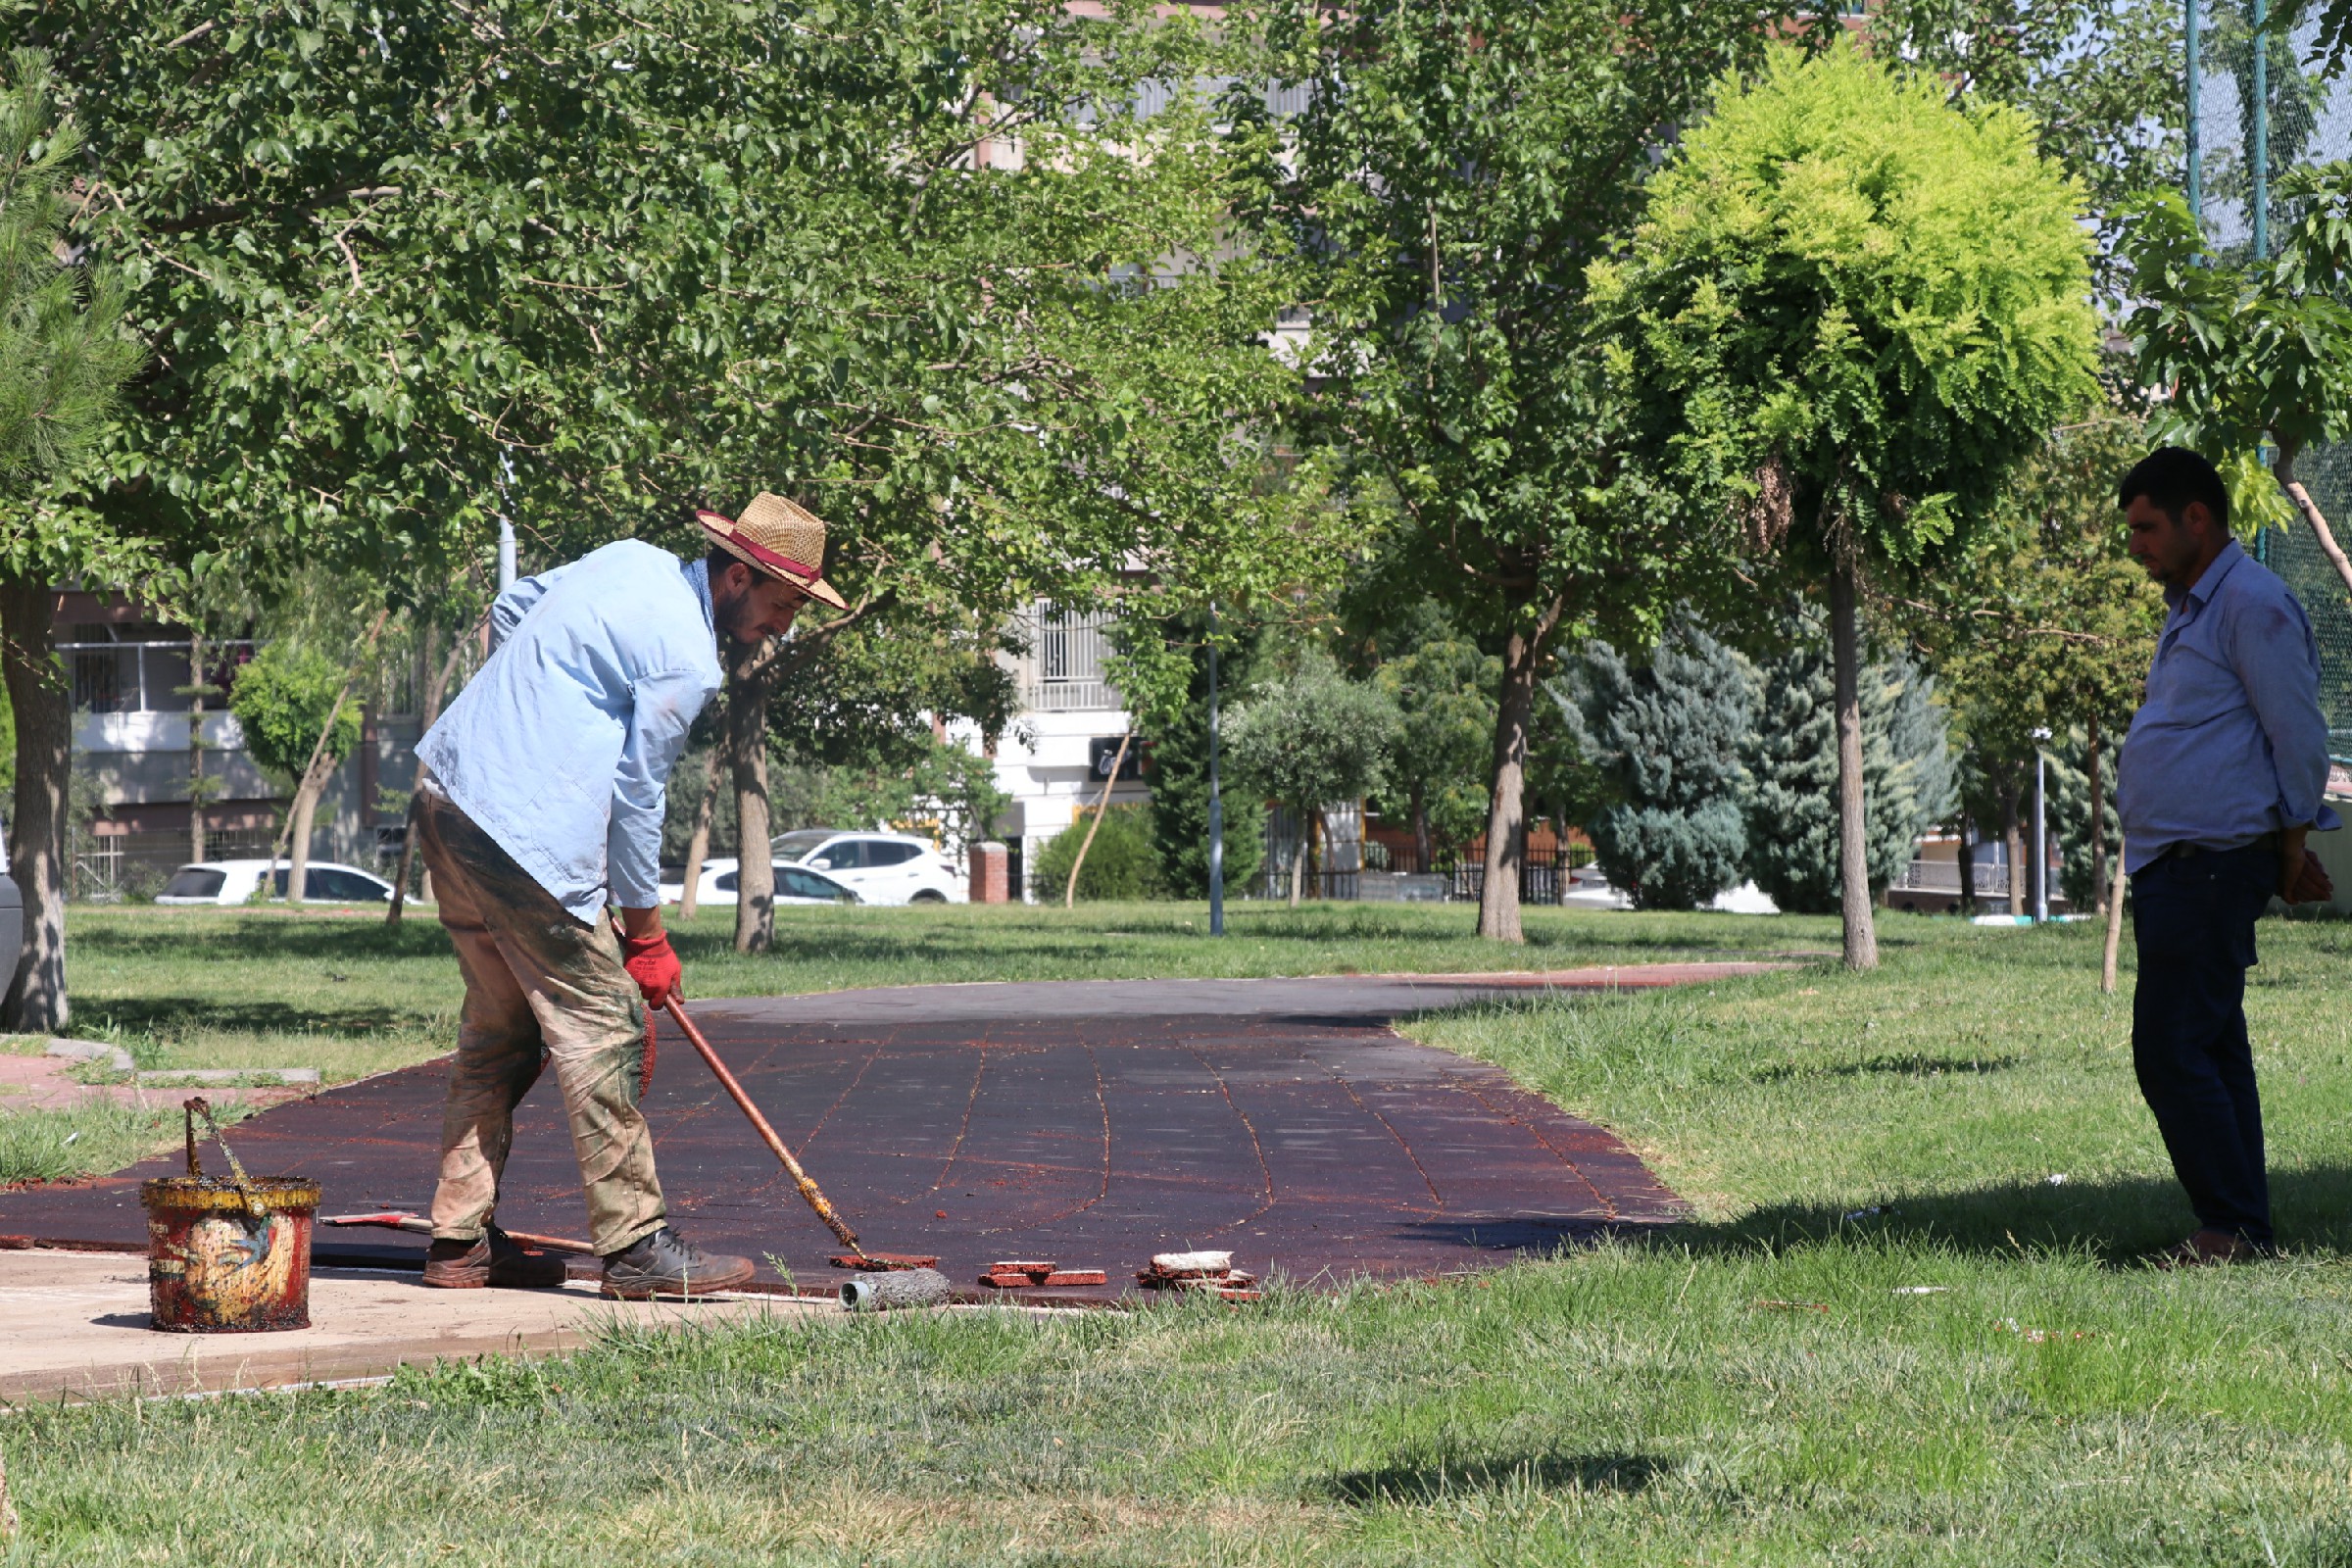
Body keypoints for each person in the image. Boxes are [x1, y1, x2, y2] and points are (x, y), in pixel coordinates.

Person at [411, 494, 847, 1298]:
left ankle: (457, 1244)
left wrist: (543, 718)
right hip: (515, 829)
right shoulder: (688, 657)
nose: (783, 625)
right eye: (782, 604)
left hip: (448, 794)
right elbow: (640, 798)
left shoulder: (627, 559)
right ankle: (636, 1248)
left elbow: (513, 609)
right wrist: (646, 938)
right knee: (605, 1026)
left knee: (501, 1030)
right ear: (739, 576)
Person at [2116, 447, 2338, 1267]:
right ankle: (2241, 1224)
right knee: (2210, 1045)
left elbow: (2300, 738)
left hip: (2211, 861)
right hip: (2180, 860)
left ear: (2195, 519)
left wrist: (2287, 846)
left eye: (2145, 527)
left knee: (2170, 1047)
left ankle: (2229, 1229)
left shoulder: (2253, 601)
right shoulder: (2194, 607)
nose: (2135, 544)